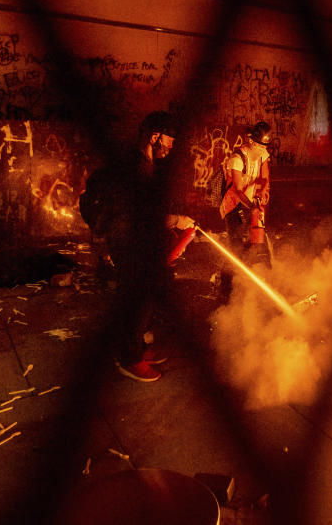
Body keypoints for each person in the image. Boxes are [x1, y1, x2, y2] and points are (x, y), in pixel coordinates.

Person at [79, 110, 195, 382]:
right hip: (125, 239)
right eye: (169, 140)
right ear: (155, 136)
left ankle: (136, 347)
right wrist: (176, 221)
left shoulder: (145, 162)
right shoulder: (134, 166)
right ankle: (129, 358)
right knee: (138, 295)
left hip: (137, 238)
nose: (171, 146)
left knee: (149, 290)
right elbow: (133, 214)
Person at [217, 121, 272, 299]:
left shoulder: (262, 153)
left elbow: (265, 177)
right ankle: (225, 292)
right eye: (261, 146)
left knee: (258, 243)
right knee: (236, 249)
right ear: (253, 143)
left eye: (266, 146)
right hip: (234, 206)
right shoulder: (237, 159)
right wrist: (252, 209)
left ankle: (259, 286)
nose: (263, 150)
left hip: (251, 204)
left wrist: (264, 190)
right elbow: (238, 190)